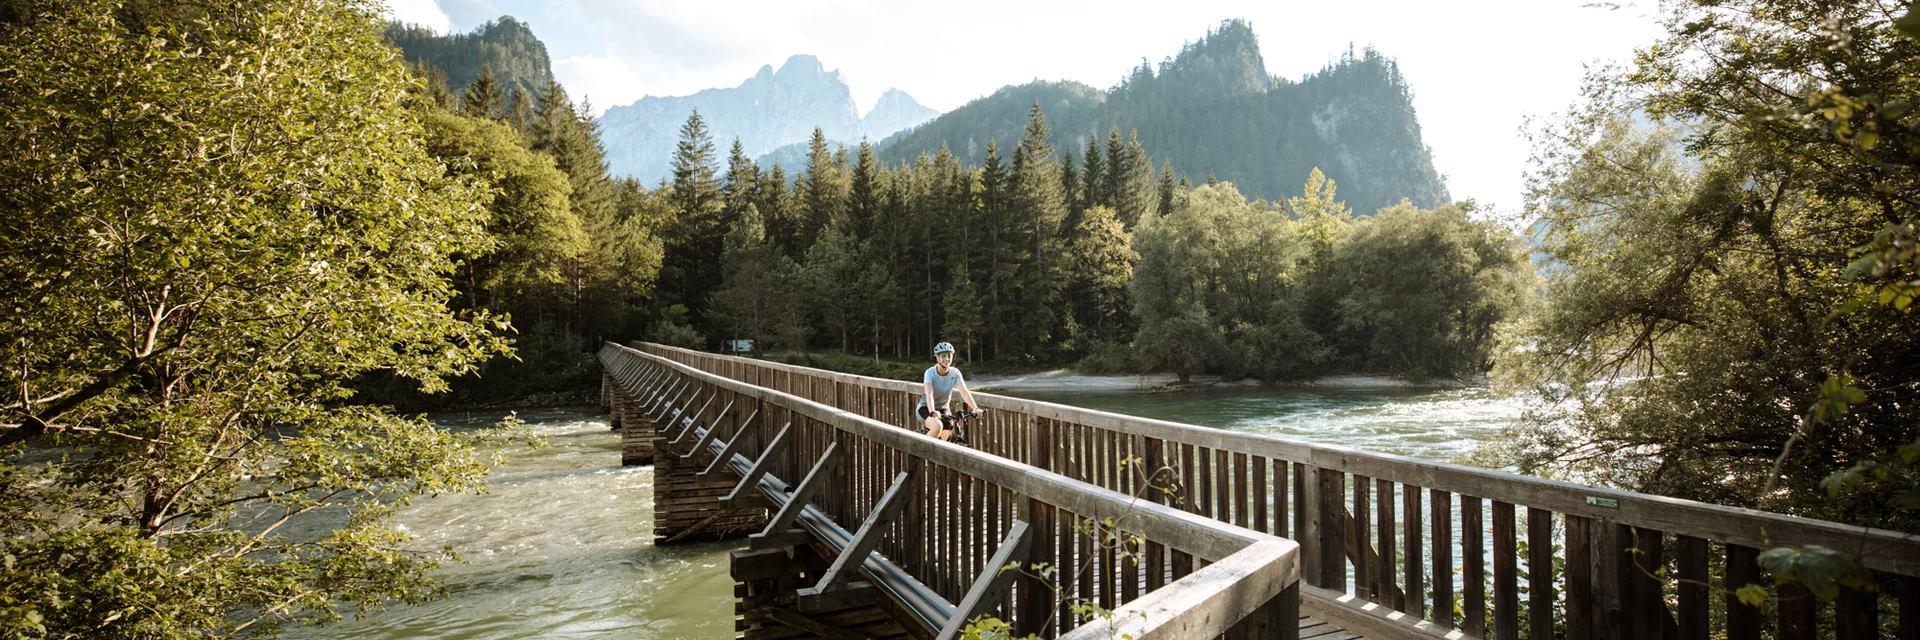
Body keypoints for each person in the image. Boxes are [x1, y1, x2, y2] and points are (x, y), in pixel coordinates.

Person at [918, 342, 980, 441]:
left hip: (943, 409)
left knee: (947, 435)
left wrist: (975, 408)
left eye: (949, 356)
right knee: (937, 427)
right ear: (937, 357)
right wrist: (932, 411)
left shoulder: (955, 373)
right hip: (926, 408)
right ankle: (923, 452)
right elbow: (929, 394)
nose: (947, 359)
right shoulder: (930, 373)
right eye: (943, 355)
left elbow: (964, 392)